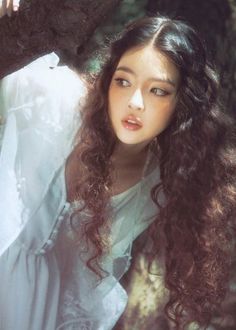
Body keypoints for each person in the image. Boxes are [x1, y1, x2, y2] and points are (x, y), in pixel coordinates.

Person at [0, 2, 236, 330]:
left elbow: (82, 283)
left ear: (182, 102)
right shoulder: (57, 100)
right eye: (124, 81)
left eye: (157, 91)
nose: (134, 102)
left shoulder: (152, 184)